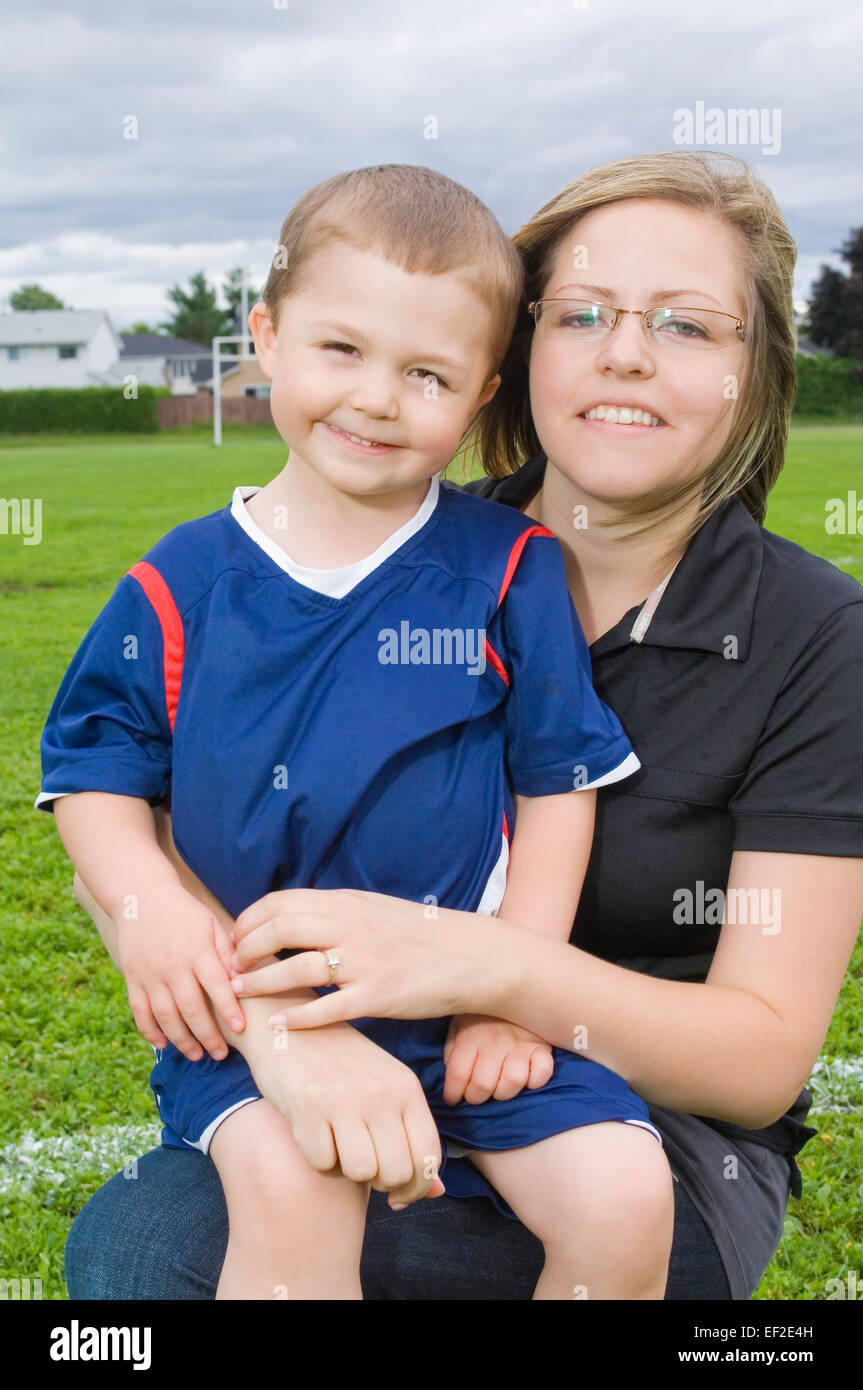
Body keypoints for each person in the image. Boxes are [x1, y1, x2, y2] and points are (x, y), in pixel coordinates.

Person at [62, 151, 863, 1302]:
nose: (624, 351)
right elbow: (144, 819)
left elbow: (759, 1057)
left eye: (687, 327)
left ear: (756, 371)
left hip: (629, 1108)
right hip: (313, 1029)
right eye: (581, 312)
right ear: (517, 353)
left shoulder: (813, 632)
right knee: (141, 1251)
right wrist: (286, 1031)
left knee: (427, 1250)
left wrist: (489, 972)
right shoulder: (381, 527)